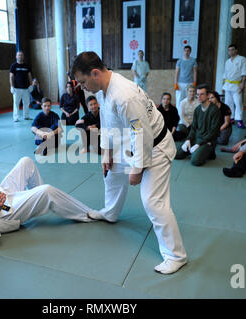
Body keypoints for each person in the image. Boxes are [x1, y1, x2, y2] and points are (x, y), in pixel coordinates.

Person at [71, 51, 187, 275]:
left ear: (95, 73)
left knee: (152, 201)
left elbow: (140, 132)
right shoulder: (104, 89)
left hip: (155, 147)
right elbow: (107, 120)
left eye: (83, 82)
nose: (82, 87)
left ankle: (176, 255)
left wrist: (137, 168)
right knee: (111, 171)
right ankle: (110, 212)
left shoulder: (124, 95)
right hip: (131, 142)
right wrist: (106, 152)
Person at [175, 85, 222, 166]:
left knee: (195, 161)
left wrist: (199, 144)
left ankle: (207, 152)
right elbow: (193, 128)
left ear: (207, 96)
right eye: (198, 94)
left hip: (207, 141)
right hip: (197, 139)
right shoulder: (197, 110)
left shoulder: (215, 110)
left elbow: (214, 132)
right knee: (176, 154)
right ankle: (196, 151)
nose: (199, 96)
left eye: (202, 94)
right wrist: (188, 140)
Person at [222, 44, 246, 129]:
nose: (231, 52)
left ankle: (239, 120)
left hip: (237, 84)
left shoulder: (242, 59)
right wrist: (223, 85)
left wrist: (243, 83)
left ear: (236, 50)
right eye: (229, 50)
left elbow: (244, 72)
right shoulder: (227, 61)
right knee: (228, 103)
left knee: (238, 102)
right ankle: (231, 118)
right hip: (227, 84)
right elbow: (225, 74)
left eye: (233, 50)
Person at [10, 51, 33, 122]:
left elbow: (29, 75)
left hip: (26, 88)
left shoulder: (27, 66)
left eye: (21, 55)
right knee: (16, 104)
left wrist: (31, 85)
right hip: (16, 89)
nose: (20, 56)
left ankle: (26, 116)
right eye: (19, 55)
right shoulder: (13, 66)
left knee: (26, 103)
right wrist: (12, 86)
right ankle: (15, 117)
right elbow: (11, 76)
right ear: (16, 57)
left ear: (23, 57)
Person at [174, 45, 198, 115]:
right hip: (180, 83)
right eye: (185, 51)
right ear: (183, 51)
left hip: (189, 83)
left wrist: (194, 82)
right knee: (179, 99)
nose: (186, 52)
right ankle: (178, 115)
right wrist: (175, 83)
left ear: (190, 52)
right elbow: (177, 72)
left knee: (189, 98)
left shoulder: (193, 61)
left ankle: (188, 113)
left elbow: (195, 72)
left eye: (188, 51)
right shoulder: (179, 61)